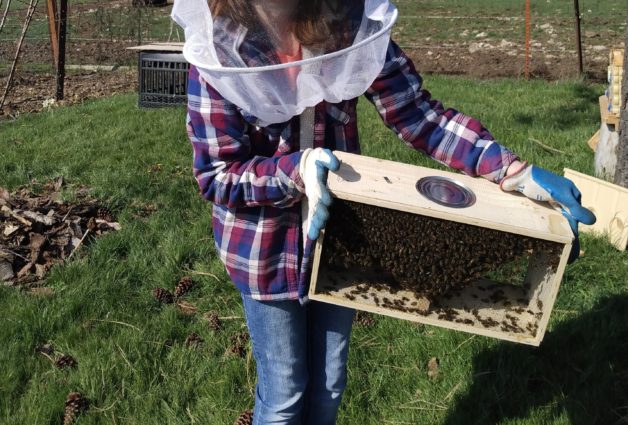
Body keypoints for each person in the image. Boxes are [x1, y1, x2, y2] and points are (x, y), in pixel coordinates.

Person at [172, 0, 596, 423]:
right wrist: (297, 171)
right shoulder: (217, 48)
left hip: (340, 245)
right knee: (284, 393)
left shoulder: (346, 24)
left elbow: (420, 115)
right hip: (264, 252)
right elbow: (218, 174)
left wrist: (511, 170)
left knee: (328, 385)